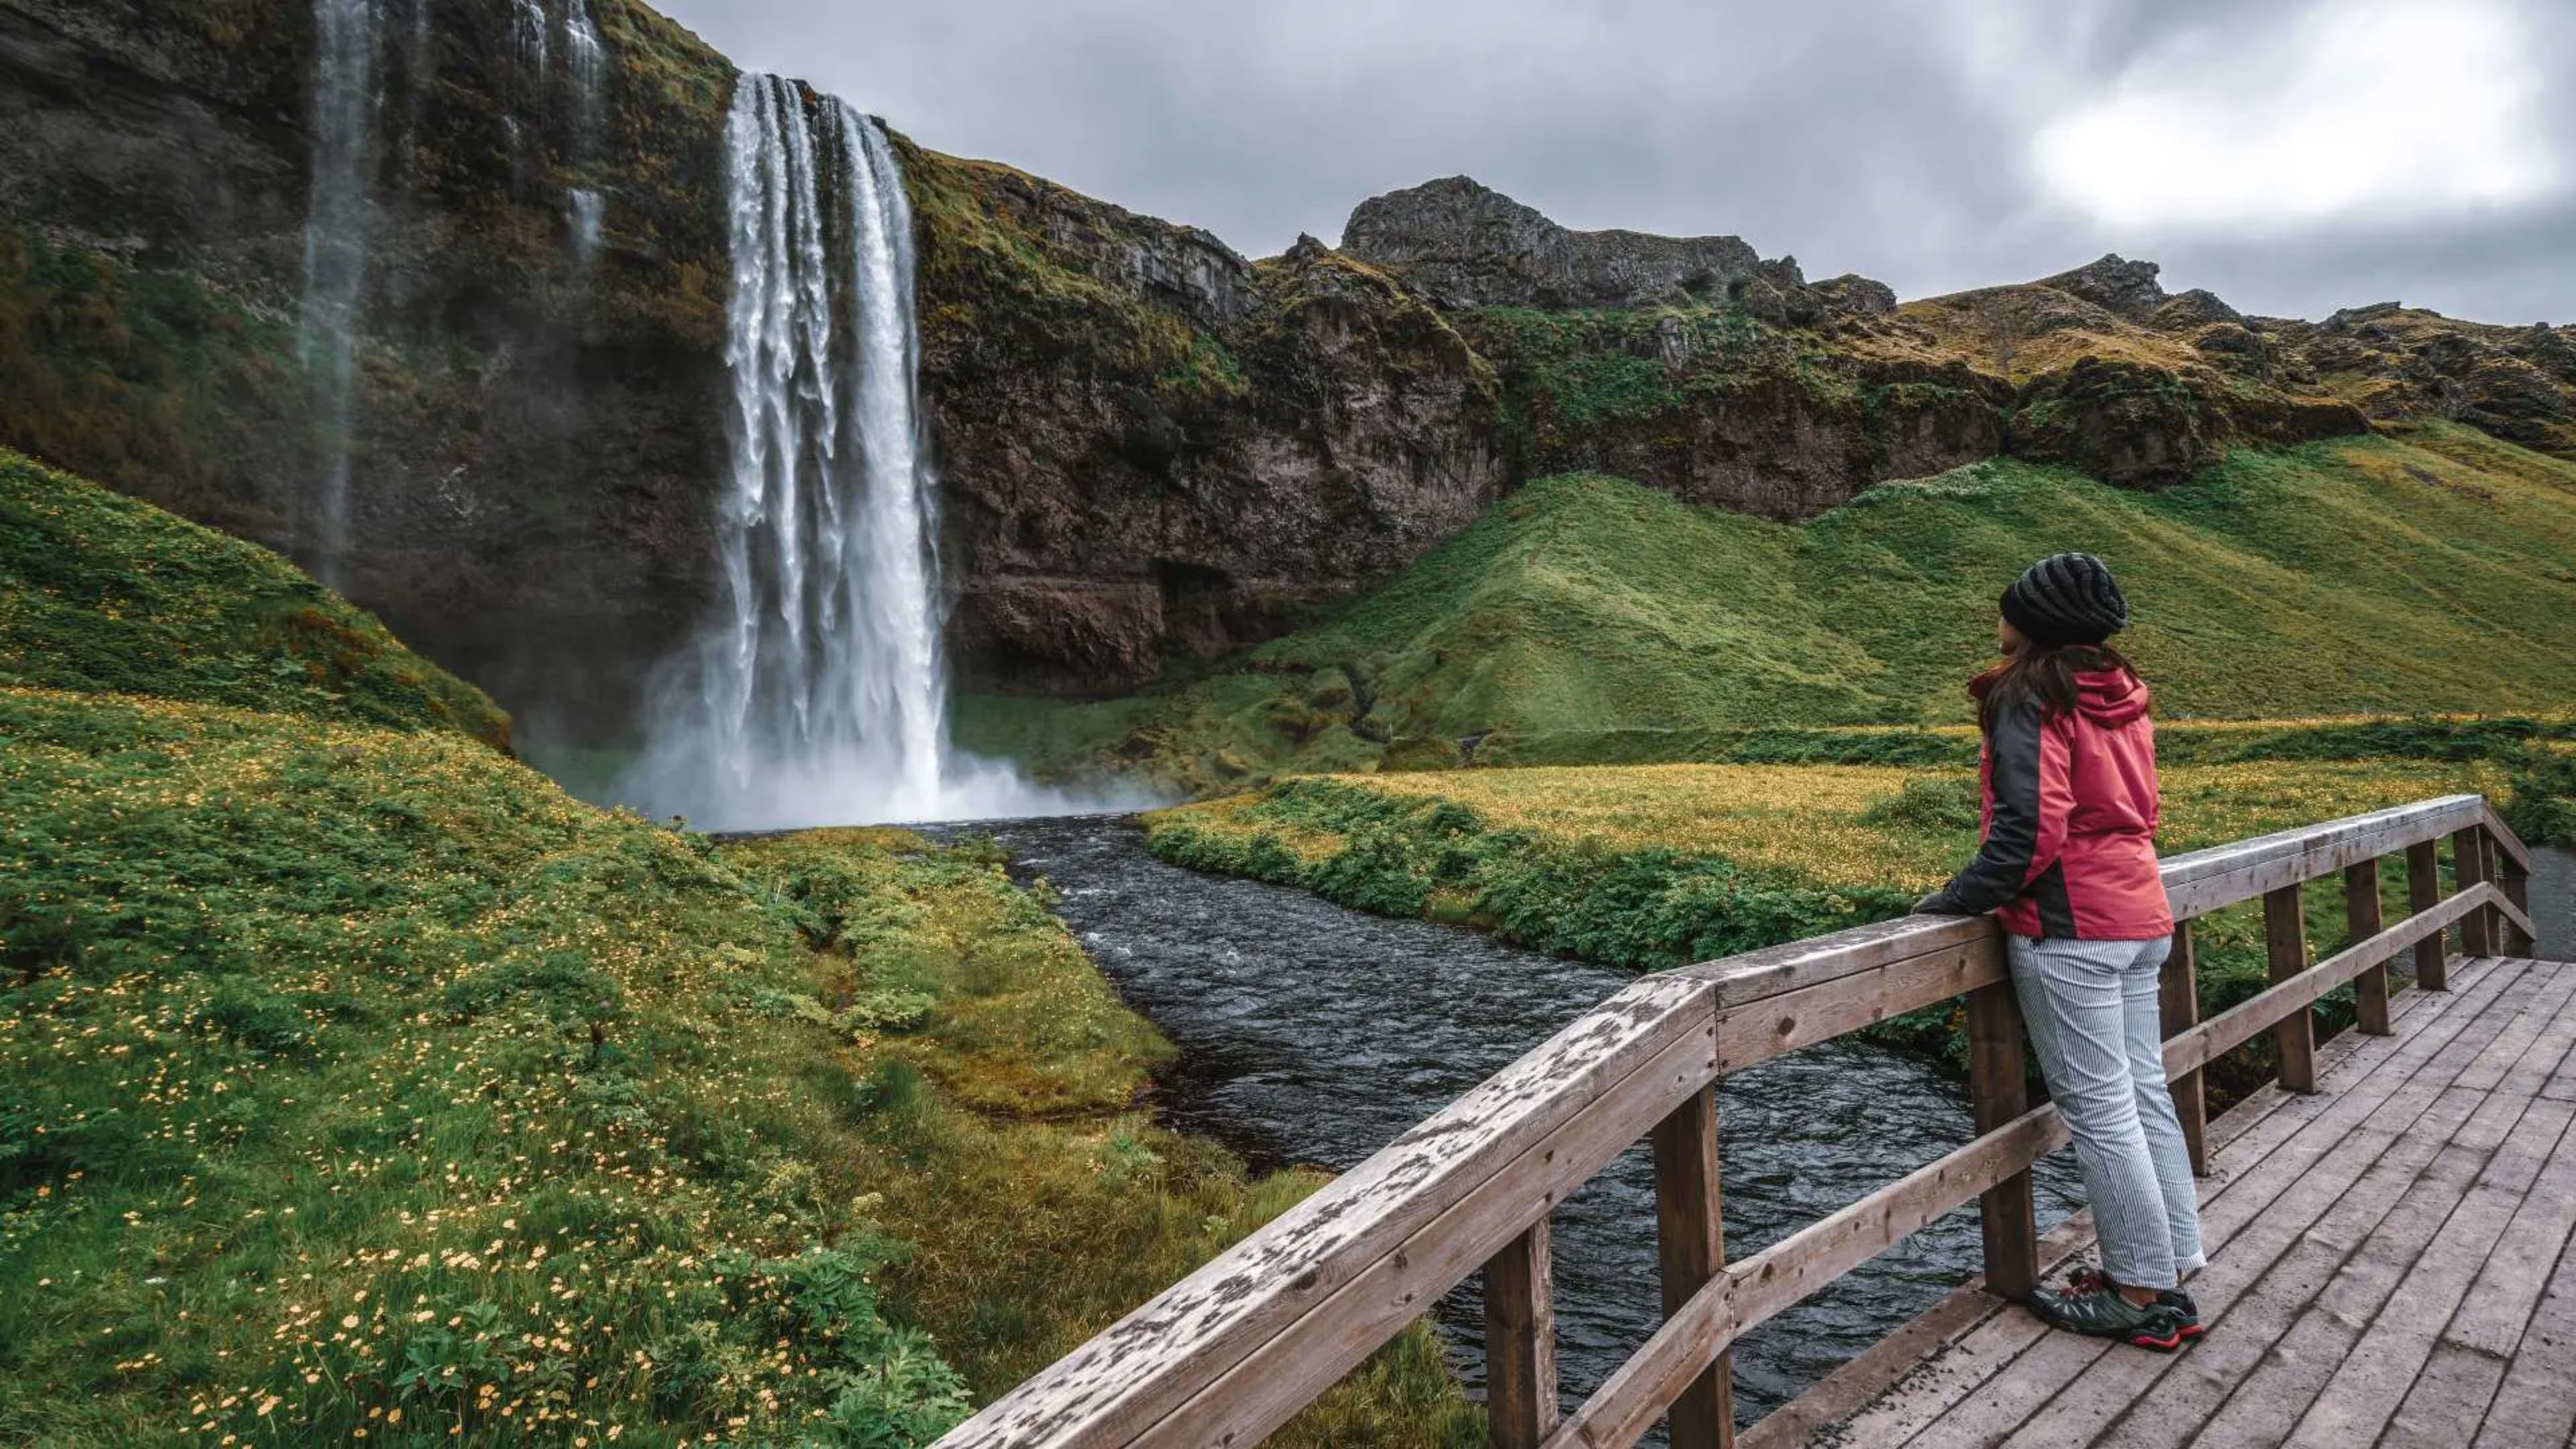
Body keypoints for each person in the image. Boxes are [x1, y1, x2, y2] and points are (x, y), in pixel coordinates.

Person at [1912, 551, 2205, 1352]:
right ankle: (2175, 1262)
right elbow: (2135, 809)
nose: (1996, 618)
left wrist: (1958, 898)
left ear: (2033, 622)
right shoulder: (2123, 691)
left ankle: (2139, 1293)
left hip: (2072, 923)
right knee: (2144, 1093)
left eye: (2007, 606)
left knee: (2103, 1111)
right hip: (2142, 912)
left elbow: (2030, 830)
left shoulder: (2027, 694)